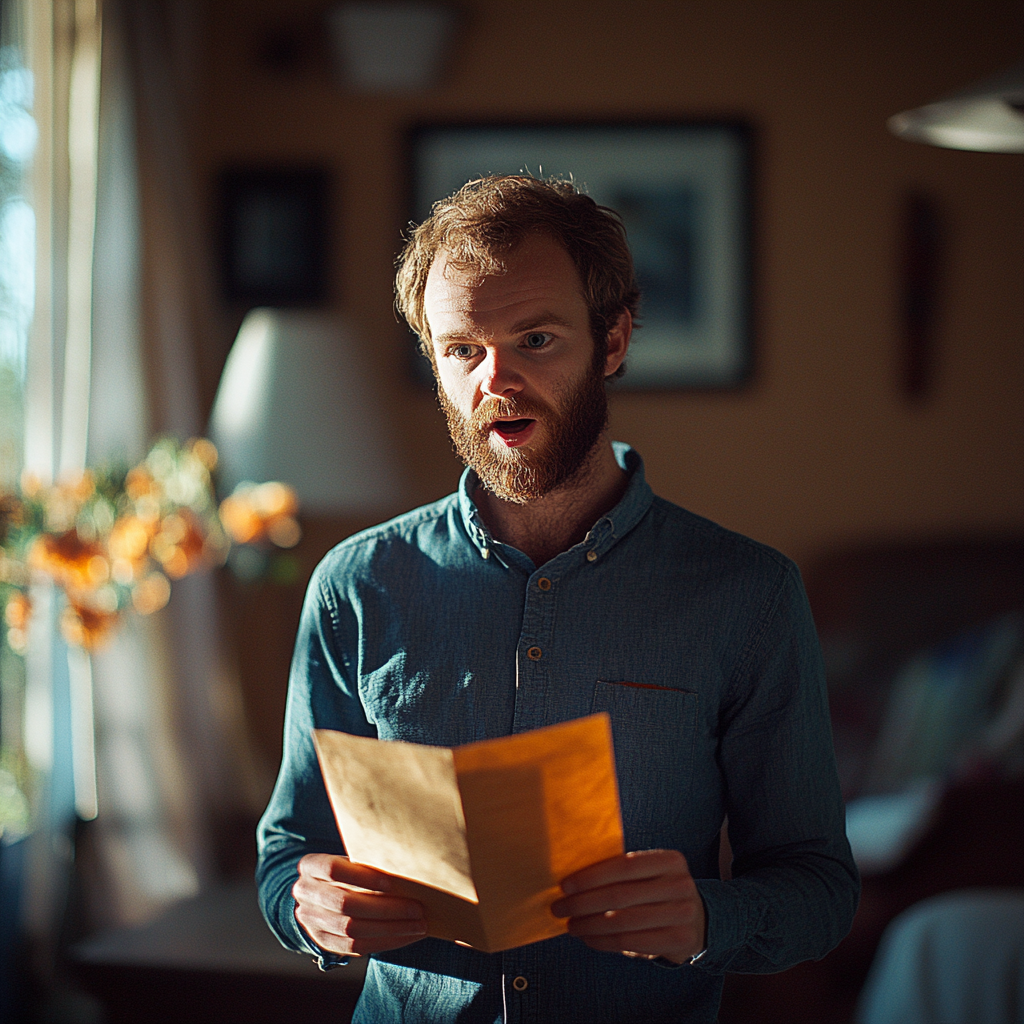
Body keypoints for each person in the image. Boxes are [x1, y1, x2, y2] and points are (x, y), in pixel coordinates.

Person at [256, 175, 859, 1024]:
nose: (494, 380)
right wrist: (304, 906)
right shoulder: (356, 586)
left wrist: (706, 919)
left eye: (534, 339)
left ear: (611, 341)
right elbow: (288, 849)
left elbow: (820, 885)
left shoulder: (746, 594)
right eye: (461, 348)